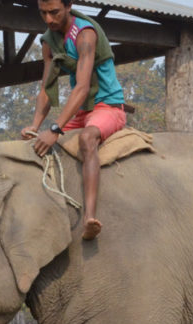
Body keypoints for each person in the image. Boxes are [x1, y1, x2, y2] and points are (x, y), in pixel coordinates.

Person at [22, 0, 127, 241]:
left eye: (54, 12)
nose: (48, 19)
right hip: (80, 111)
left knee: (87, 137)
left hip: (107, 106)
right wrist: (35, 127)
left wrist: (55, 128)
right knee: (36, 144)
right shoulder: (49, 41)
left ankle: (90, 216)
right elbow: (47, 88)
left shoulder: (85, 34)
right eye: (43, 13)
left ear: (69, 6)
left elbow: (81, 88)